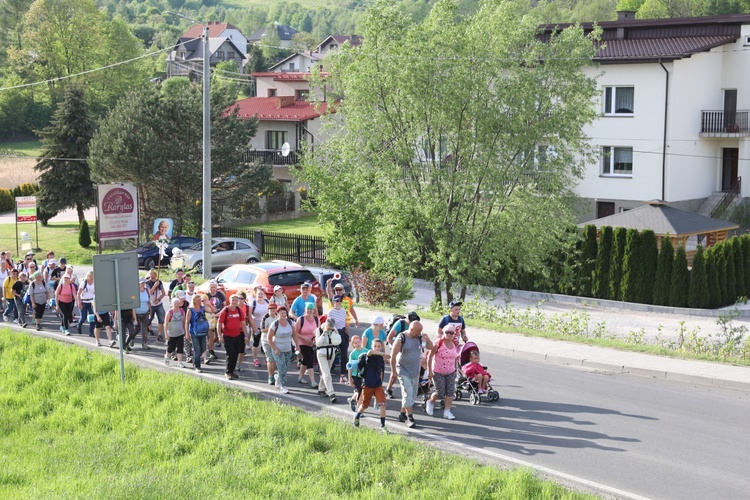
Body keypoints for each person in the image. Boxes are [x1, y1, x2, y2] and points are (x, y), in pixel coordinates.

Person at [391, 320, 433, 428]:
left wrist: (426, 338)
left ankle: (402, 414)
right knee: (408, 393)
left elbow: (431, 347)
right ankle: (410, 418)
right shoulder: (402, 338)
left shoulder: (418, 338)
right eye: (418, 332)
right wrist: (393, 371)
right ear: (412, 329)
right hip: (403, 370)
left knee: (412, 395)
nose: (419, 334)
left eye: (421, 332)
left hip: (415, 372)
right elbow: (393, 355)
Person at [352, 339, 390, 432]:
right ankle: (357, 416)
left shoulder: (380, 358)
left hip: (377, 384)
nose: (377, 348)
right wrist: (383, 354)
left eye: (379, 346)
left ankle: (382, 425)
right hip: (368, 384)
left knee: (383, 404)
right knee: (364, 405)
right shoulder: (368, 355)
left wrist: (381, 383)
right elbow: (370, 352)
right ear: (372, 346)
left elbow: (381, 371)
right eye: (375, 346)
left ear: (381, 347)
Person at [425, 323, 461, 420]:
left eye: (451, 332)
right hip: (438, 371)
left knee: (450, 392)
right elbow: (429, 357)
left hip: (451, 371)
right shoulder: (438, 343)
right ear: (443, 333)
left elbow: (456, 358)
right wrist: (429, 371)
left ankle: (447, 411)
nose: (449, 334)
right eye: (447, 332)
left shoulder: (454, 344)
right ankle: (430, 402)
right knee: (440, 393)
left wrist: (456, 369)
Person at [385, 311, 421, 399]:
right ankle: (389, 388)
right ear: (407, 319)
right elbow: (389, 338)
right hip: (397, 346)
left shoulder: (415, 325)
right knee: (397, 369)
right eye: (411, 321)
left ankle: (412, 389)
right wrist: (399, 348)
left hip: (408, 347)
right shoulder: (399, 323)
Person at [217, 294, 247, 380]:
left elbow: (243, 324)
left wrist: (246, 335)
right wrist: (220, 335)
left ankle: (232, 371)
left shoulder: (239, 311)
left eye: (236, 300)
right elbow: (219, 323)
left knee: (236, 353)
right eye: (233, 300)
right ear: (229, 301)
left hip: (237, 335)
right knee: (230, 353)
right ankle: (228, 372)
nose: (234, 302)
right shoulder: (225, 310)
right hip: (227, 336)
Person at [267, 305, 294, 393]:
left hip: (288, 349)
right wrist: (275, 349)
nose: (283, 314)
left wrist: (297, 345)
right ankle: (283, 386)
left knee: (285, 368)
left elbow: (294, 335)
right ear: (277, 314)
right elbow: (269, 338)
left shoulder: (290, 322)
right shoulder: (275, 324)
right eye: (281, 313)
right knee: (282, 367)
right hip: (278, 350)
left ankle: (278, 377)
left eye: (285, 313)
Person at [185, 294, 215, 373]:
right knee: (197, 350)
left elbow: (213, 311)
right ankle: (197, 366)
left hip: (203, 332)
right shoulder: (190, 310)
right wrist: (187, 333)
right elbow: (187, 323)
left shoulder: (203, 308)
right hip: (194, 333)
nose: (199, 301)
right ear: (194, 301)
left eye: (200, 300)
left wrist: (208, 304)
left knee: (203, 348)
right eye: (197, 300)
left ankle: (195, 360)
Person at [293, 302, 318, 388]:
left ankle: (300, 377)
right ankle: (313, 381)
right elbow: (295, 333)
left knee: (305, 361)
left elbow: (317, 331)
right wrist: (304, 338)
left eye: (311, 309)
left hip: (311, 343)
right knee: (309, 360)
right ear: (305, 309)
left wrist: (315, 339)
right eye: (308, 309)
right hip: (302, 343)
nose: (310, 310)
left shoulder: (316, 319)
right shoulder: (301, 319)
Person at [315, 317, 340, 404]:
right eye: (329, 325)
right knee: (327, 374)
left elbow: (337, 341)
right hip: (321, 353)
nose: (331, 327)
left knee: (327, 372)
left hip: (331, 352)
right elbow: (317, 343)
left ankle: (321, 389)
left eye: (332, 326)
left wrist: (335, 333)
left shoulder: (334, 329)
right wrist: (324, 333)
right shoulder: (319, 330)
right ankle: (331, 393)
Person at [327, 294, 350, 382]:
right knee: (332, 352)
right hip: (334, 332)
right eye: (336, 301)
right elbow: (329, 324)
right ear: (333, 302)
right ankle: (327, 371)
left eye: (339, 301)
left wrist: (348, 334)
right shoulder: (331, 312)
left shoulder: (343, 311)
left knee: (344, 353)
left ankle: (343, 374)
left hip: (342, 332)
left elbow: (345, 323)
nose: (337, 303)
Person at [247, 285, 270, 368]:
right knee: (256, 343)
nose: (260, 296)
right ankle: (255, 359)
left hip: (266, 326)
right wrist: (254, 327)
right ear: (256, 295)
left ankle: (268, 358)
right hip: (256, 326)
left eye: (262, 294)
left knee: (268, 342)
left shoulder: (267, 302)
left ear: (264, 295)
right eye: (259, 294)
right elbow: (249, 316)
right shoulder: (252, 304)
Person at [205, 280, 226, 362]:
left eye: (214, 287)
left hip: (219, 316)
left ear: (216, 288)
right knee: (210, 334)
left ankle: (208, 346)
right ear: (209, 288)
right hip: (209, 317)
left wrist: (220, 313)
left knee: (218, 336)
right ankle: (211, 350)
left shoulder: (220, 294)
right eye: (211, 287)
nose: (213, 289)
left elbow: (224, 305)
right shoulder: (206, 295)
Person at [259, 302, 279, 385]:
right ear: (268, 310)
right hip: (266, 340)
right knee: (270, 359)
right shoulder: (265, 317)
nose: (272, 310)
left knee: (274, 359)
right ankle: (270, 376)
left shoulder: (278, 317)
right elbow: (263, 329)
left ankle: (273, 374)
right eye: (271, 309)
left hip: (275, 340)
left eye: (274, 309)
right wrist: (272, 328)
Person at [347, 335, 368, 411]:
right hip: (356, 375)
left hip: (364, 374)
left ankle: (352, 400)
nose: (357, 344)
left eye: (359, 342)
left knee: (362, 391)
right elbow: (350, 367)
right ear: (353, 344)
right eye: (355, 343)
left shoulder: (366, 351)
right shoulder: (353, 354)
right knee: (360, 392)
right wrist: (350, 380)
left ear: (361, 342)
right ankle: (359, 409)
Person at [163, 298, 186, 368]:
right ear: (172, 304)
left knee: (180, 347)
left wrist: (185, 331)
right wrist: (166, 334)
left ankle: (179, 362)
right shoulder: (169, 312)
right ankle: (167, 357)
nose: (176, 305)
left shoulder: (182, 311)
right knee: (171, 347)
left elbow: (183, 322)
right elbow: (166, 323)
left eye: (177, 303)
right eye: (175, 303)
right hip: (171, 333)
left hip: (180, 333)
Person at [146, 269, 166, 342]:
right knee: (149, 319)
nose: (151, 275)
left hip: (158, 304)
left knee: (161, 319)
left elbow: (163, 293)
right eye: (150, 274)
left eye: (153, 274)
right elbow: (150, 292)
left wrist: (159, 299)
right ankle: (149, 329)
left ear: (156, 274)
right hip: (150, 304)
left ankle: (159, 335)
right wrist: (155, 286)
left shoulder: (159, 282)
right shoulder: (147, 283)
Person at [134, 277, 151, 350]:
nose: (143, 284)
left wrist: (150, 311)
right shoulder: (135, 291)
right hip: (137, 313)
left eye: (144, 283)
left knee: (145, 329)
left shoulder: (147, 290)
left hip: (145, 313)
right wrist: (134, 317)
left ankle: (145, 343)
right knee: (137, 329)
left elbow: (148, 301)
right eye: (141, 283)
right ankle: (131, 338)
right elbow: (133, 304)